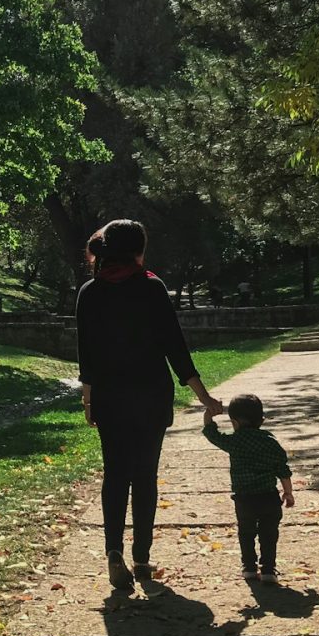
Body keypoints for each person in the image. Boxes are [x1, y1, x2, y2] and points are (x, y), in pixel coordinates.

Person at [77, 218, 222, 592]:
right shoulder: (151, 287)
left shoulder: (89, 292)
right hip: (150, 396)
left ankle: (113, 551)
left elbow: (86, 354)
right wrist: (202, 395)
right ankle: (141, 558)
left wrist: (88, 399)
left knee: (115, 474)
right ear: (138, 250)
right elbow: (174, 345)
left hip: (109, 397)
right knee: (144, 476)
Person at [202, 393, 294, 583]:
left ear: (234, 422)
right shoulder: (271, 443)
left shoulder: (235, 442)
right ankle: (268, 569)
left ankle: (249, 568)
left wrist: (208, 415)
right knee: (269, 534)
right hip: (269, 497)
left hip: (244, 499)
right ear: (262, 420)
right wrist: (288, 492)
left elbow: (213, 435)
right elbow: (283, 471)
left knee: (246, 532)